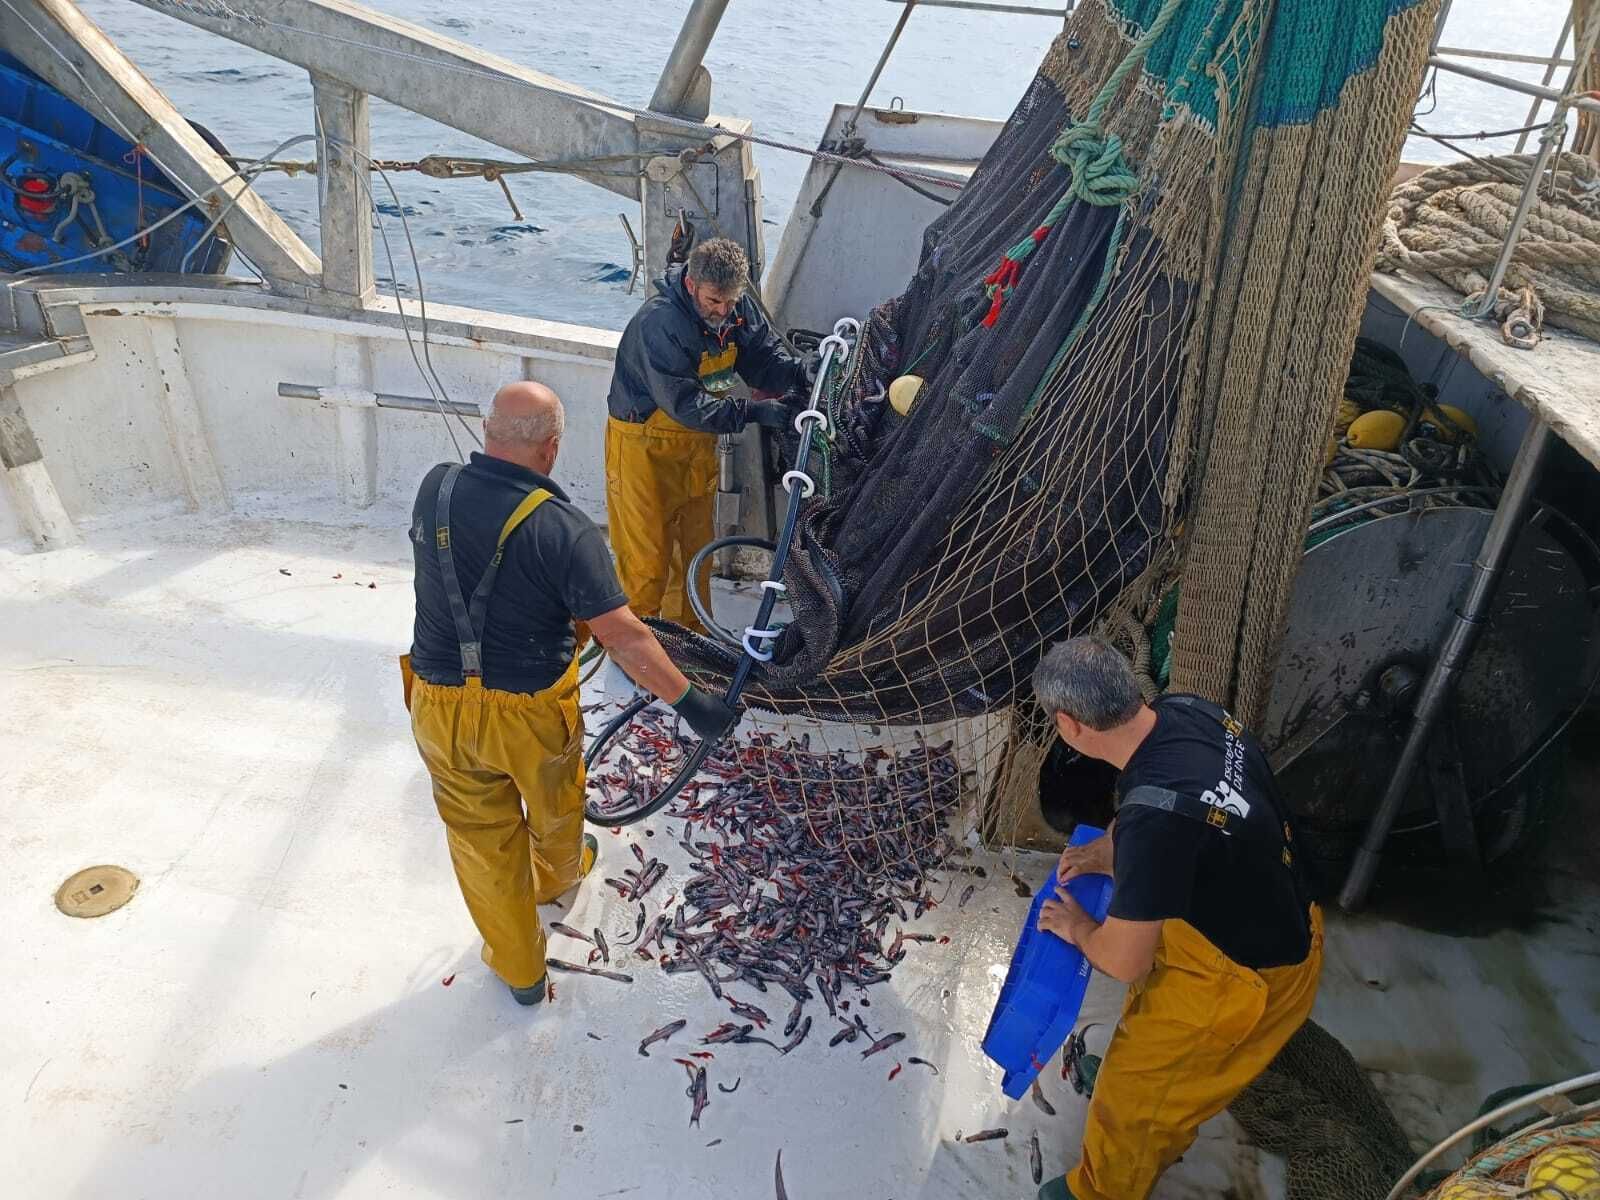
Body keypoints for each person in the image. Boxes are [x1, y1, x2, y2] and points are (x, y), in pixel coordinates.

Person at [405, 380, 737, 1006]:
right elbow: (624, 638)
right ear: (552, 450)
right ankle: (557, 878)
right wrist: (695, 704)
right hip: (527, 714)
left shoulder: (435, 487)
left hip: (436, 702)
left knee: (480, 838)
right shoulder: (568, 531)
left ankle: (521, 973)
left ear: (488, 431)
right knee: (555, 803)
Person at [1029, 636, 1323, 1200]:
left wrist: (1076, 926)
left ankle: (1101, 1191)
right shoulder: (1186, 711)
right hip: (1277, 910)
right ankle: (1159, 1109)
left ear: (1069, 726)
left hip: (1246, 982)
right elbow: (1171, 806)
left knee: (1134, 1099)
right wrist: (1106, 852)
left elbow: (1123, 958)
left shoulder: (1151, 820)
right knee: (1153, 1039)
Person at [604, 236, 812, 632]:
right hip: (643, 449)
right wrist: (755, 412)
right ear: (691, 285)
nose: (724, 311)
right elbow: (684, 404)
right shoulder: (660, 323)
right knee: (647, 561)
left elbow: (763, 357)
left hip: (696, 447)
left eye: (731, 302)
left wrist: (798, 371)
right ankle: (634, 652)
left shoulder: (736, 307)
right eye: (714, 301)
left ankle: (688, 640)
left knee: (695, 552)